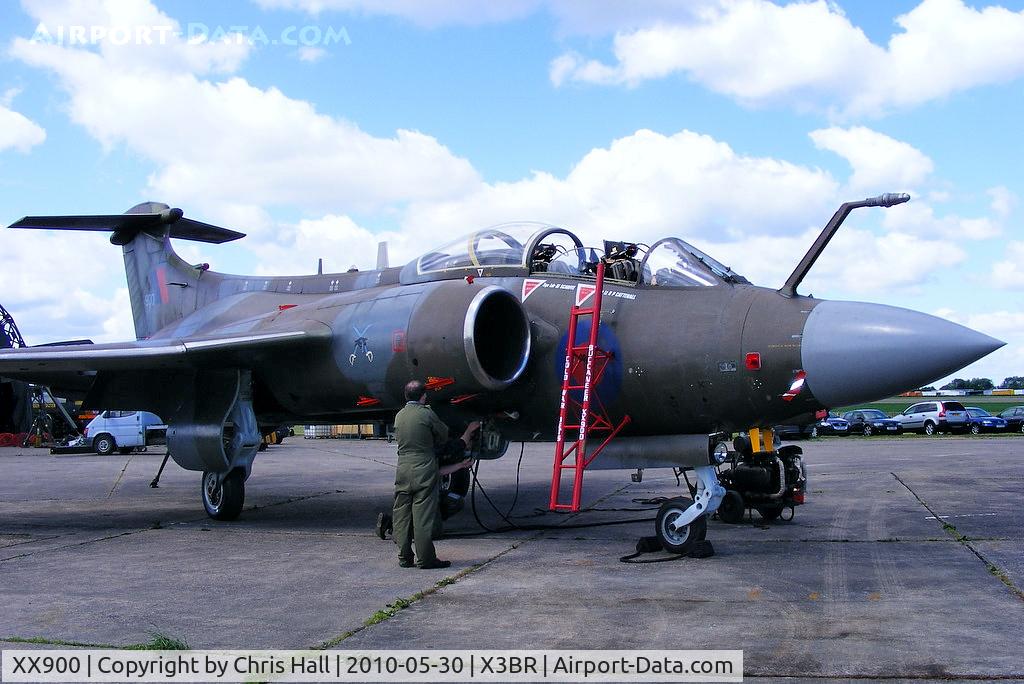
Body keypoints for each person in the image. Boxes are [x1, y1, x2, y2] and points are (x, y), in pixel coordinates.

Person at [392, 379, 478, 569]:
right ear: (424, 396)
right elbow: (443, 434)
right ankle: (426, 559)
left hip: (403, 468)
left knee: (402, 515)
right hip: (424, 467)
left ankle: (404, 558)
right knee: (422, 517)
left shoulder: (399, 416)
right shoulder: (427, 414)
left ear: (406, 396)